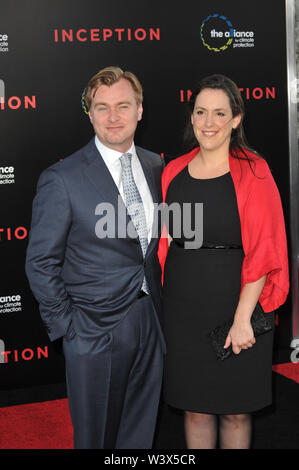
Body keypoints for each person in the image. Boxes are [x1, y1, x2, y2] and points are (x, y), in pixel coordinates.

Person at [25, 66, 165, 449]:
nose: (113, 117)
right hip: (92, 329)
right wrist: (70, 327)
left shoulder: (156, 166)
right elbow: (40, 262)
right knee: (97, 438)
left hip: (150, 319)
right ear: (89, 113)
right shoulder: (63, 178)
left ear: (140, 110)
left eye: (123, 105)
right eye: (102, 107)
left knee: (140, 432)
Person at [158, 74, 289, 449]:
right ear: (192, 117)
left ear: (236, 119)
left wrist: (244, 317)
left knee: (235, 410)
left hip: (238, 304)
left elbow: (265, 250)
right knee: (194, 409)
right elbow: (166, 244)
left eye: (220, 113)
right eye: (201, 112)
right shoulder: (173, 172)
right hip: (183, 309)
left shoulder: (254, 170)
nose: (209, 122)